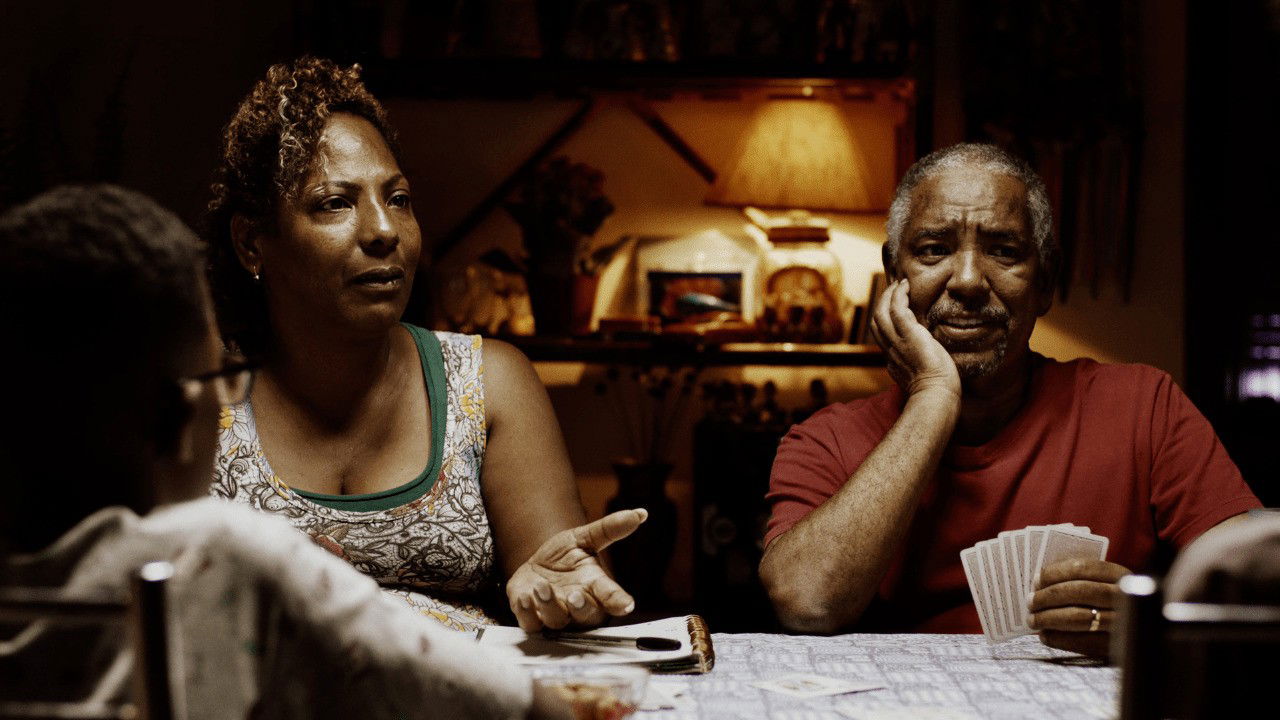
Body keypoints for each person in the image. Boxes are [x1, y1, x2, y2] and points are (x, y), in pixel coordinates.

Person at [0, 185, 603, 719]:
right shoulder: (222, 555)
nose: (383, 230)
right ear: (179, 417)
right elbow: (526, 710)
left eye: (399, 198)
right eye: (220, 378)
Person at [759, 143, 1261, 657]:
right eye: (933, 249)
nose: (970, 281)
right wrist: (933, 398)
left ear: (1045, 281)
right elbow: (807, 603)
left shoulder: (1145, 407)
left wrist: (1147, 617)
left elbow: (1257, 587)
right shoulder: (824, 440)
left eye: (1004, 251)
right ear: (894, 273)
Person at [205, 57, 640, 632]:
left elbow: (575, 595)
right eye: (336, 202)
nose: (384, 230)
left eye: (399, 198)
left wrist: (562, 594)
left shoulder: (487, 382)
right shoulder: (199, 405)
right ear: (251, 243)